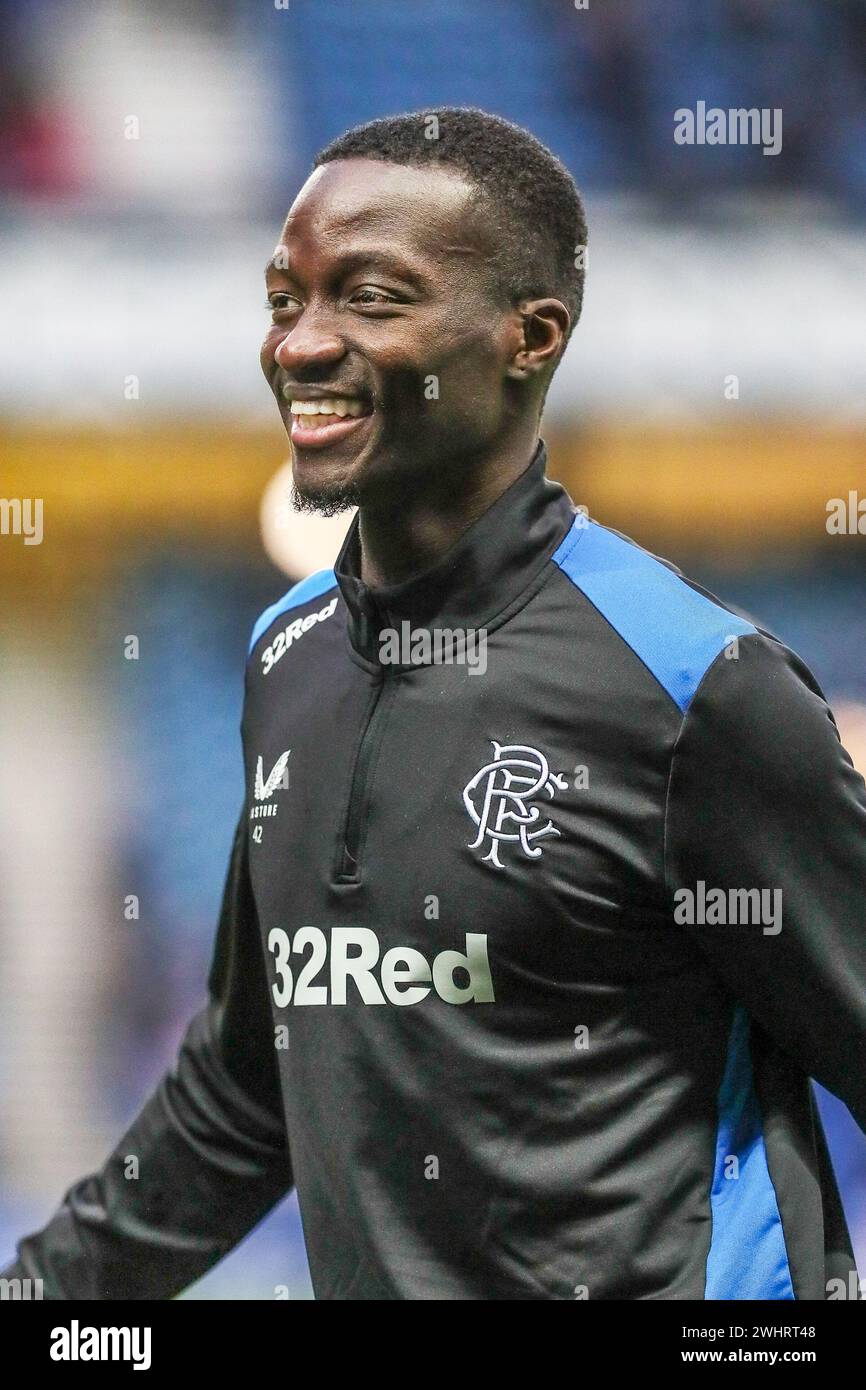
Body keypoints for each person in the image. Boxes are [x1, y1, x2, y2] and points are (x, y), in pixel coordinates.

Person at [4, 108, 865, 1301]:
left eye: (368, 296)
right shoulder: (284, 657)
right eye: (283, 299)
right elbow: (250, 1083)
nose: (300, 345)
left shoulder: (694, 689)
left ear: (531, 336)